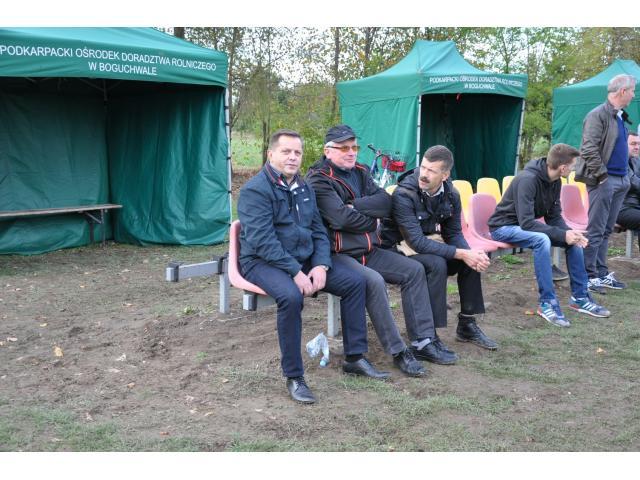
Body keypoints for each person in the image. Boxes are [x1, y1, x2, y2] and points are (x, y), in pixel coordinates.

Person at [238, 129, 389, 405]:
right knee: (291, 297)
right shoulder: (254, 191)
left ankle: (355, 357)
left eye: (297, 152)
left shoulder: (304, 187)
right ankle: (294, 376)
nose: (292, 157)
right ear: (270, 154)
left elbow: (319, 231)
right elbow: (262, 241)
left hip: (302, 257)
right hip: (261, 261)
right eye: (286, 151)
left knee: (355, 281)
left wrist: (320, 265)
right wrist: (295, 272)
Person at [306, 125, 457, 372]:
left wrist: (354, 206)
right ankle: (398, 351)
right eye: (344, 148)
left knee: (414, 270)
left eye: (354, 147)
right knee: (374, 281)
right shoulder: (318, 178)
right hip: (339, 254)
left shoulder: (361, 170)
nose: (351, 152)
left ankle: (423, 341)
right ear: (328, 150)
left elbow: (386, 203)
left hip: (369, 249)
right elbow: (340, 219)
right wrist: (370, 220)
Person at [382, 145, 498, 351]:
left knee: (469, 261)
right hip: (398, 248)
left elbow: (453, 233)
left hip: (428, 243)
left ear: (445, 175)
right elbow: (416, 242)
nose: (424, 174)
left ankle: (467, 324)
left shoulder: (451, 194)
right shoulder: (404, 194)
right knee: (437, 264)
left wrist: (469, 255)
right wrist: (461, 253)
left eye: (431, 171)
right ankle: (430, 335)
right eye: (423, 167)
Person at [488, 143, 610, 327]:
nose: (574, 169)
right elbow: (527, 222)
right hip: (502, 228)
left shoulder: (555, 181)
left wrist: (568, 233)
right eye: (573, 165)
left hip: (523, 227)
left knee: (573, 240)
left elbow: (553, 217)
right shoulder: (527, 180)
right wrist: (562, 234)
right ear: (563, 167)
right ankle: (547, 303)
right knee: (542, 240)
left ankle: (580, 298)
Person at [576, 74, 635, 293]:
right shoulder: (597, 115)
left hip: (620, 180)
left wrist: (626, 177)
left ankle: (600, 272)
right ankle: (588, 276)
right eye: (632, 91)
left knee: (607, 229)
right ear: (622, 91)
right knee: (596, 229)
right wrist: (602, 176)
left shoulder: (619, 116)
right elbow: (588, 149)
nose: (633, 95)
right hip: (604, 180)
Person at [616, 131, 640, 252]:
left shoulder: (636, 160)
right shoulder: (619, 161)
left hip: (635, 206)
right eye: (633, 144)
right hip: (621, 208)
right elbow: (635, 183)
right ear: (623, 145)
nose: (637, 147)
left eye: (639, 144)